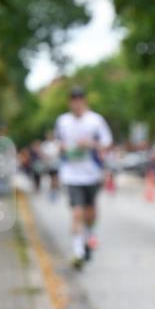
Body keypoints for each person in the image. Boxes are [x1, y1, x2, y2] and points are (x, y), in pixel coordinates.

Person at [54, 86, 113, 269]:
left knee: (90, 212)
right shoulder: (62, 121)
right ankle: (78, 251)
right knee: (77, 212)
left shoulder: (95, 121)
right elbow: (57, 143)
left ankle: (90, 235)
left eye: (79, 99)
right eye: (73, 99)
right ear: (69, 102)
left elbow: (107, 144)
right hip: (71, 175)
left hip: (92, 173)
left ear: (84, 101)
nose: (76, 103)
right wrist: (63, 148)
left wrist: (91, 144)